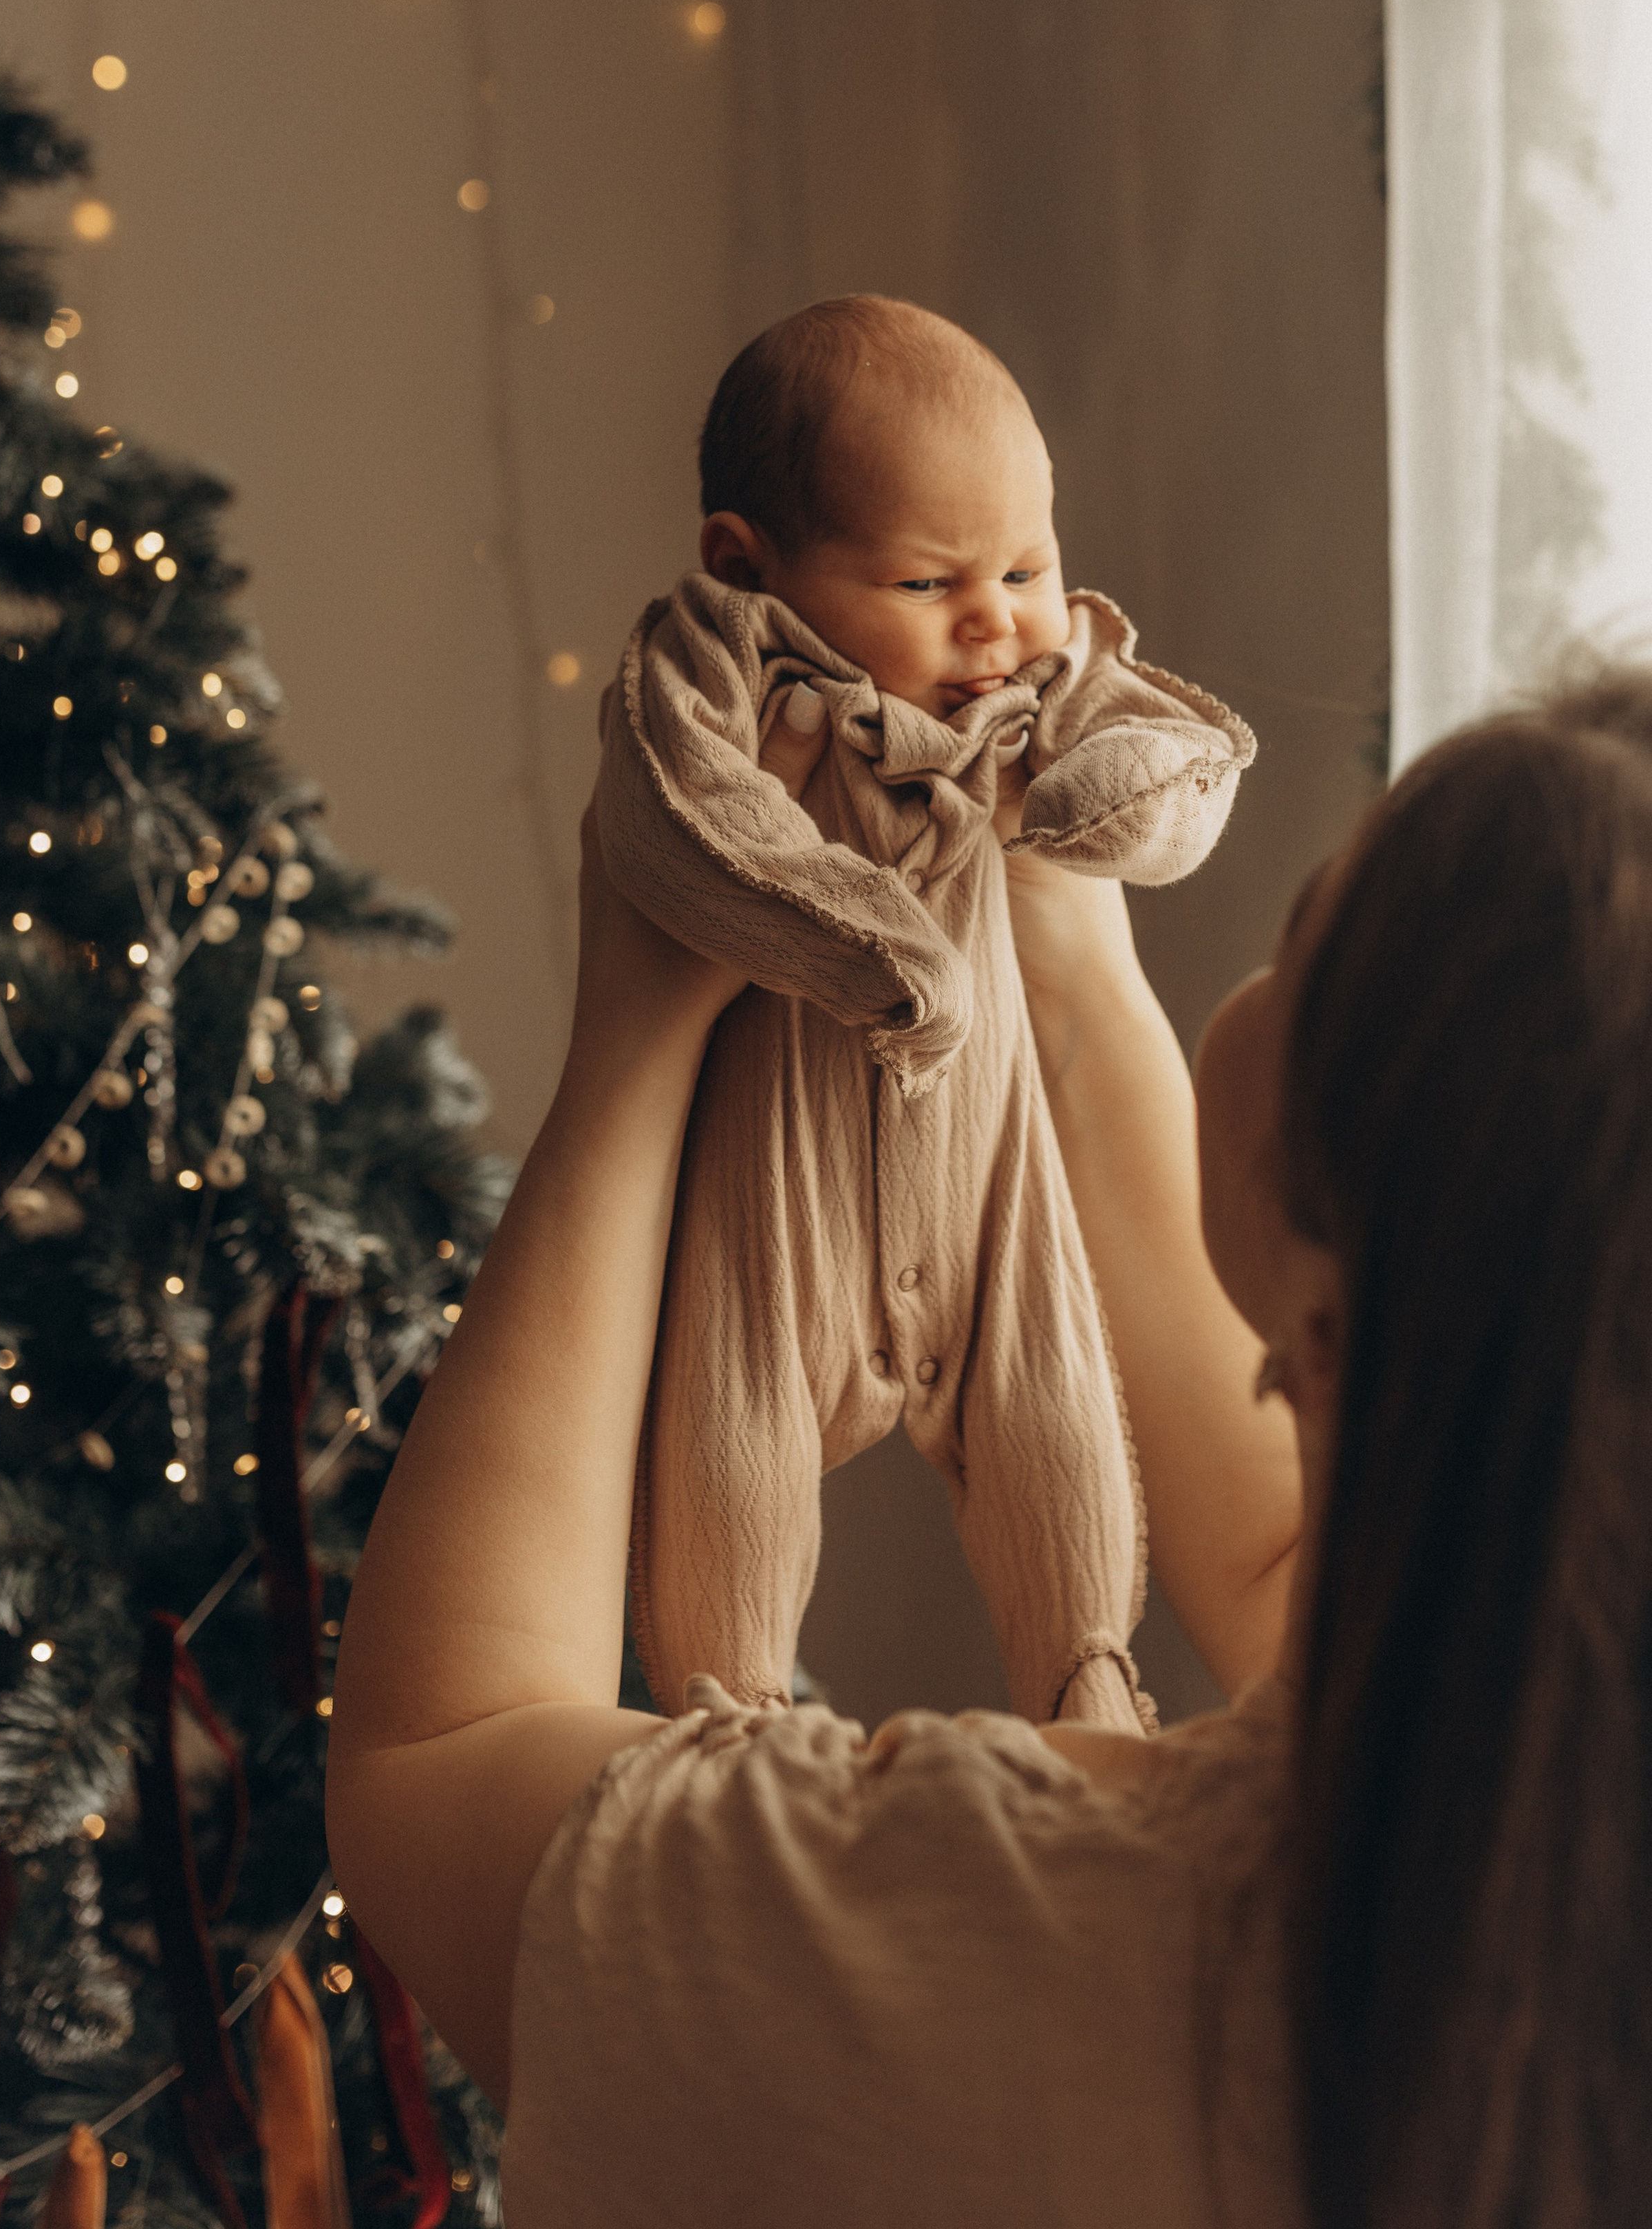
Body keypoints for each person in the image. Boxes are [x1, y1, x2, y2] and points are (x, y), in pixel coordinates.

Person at [329, 665, 1652, 2227]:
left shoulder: (993, 1947)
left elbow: (438, 1752)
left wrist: (638, 1017)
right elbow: (1292, 1562)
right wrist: (1064, 945)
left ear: (1346, 1298)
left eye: (1303, 928)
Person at [599, 292, 1255, 1727]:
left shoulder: (1031, 674)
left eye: (1028, 562)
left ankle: (1087, 1670)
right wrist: (872, 949)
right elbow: (678, 822)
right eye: (925, 583)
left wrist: (1118, 793)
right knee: (728, 1422)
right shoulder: (713, 671)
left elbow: (1159, 757)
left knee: (1059, 1410)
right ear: (745, 567)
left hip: (989, 1177)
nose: (997, 619)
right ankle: (733, 1705)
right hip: (783, 1190)